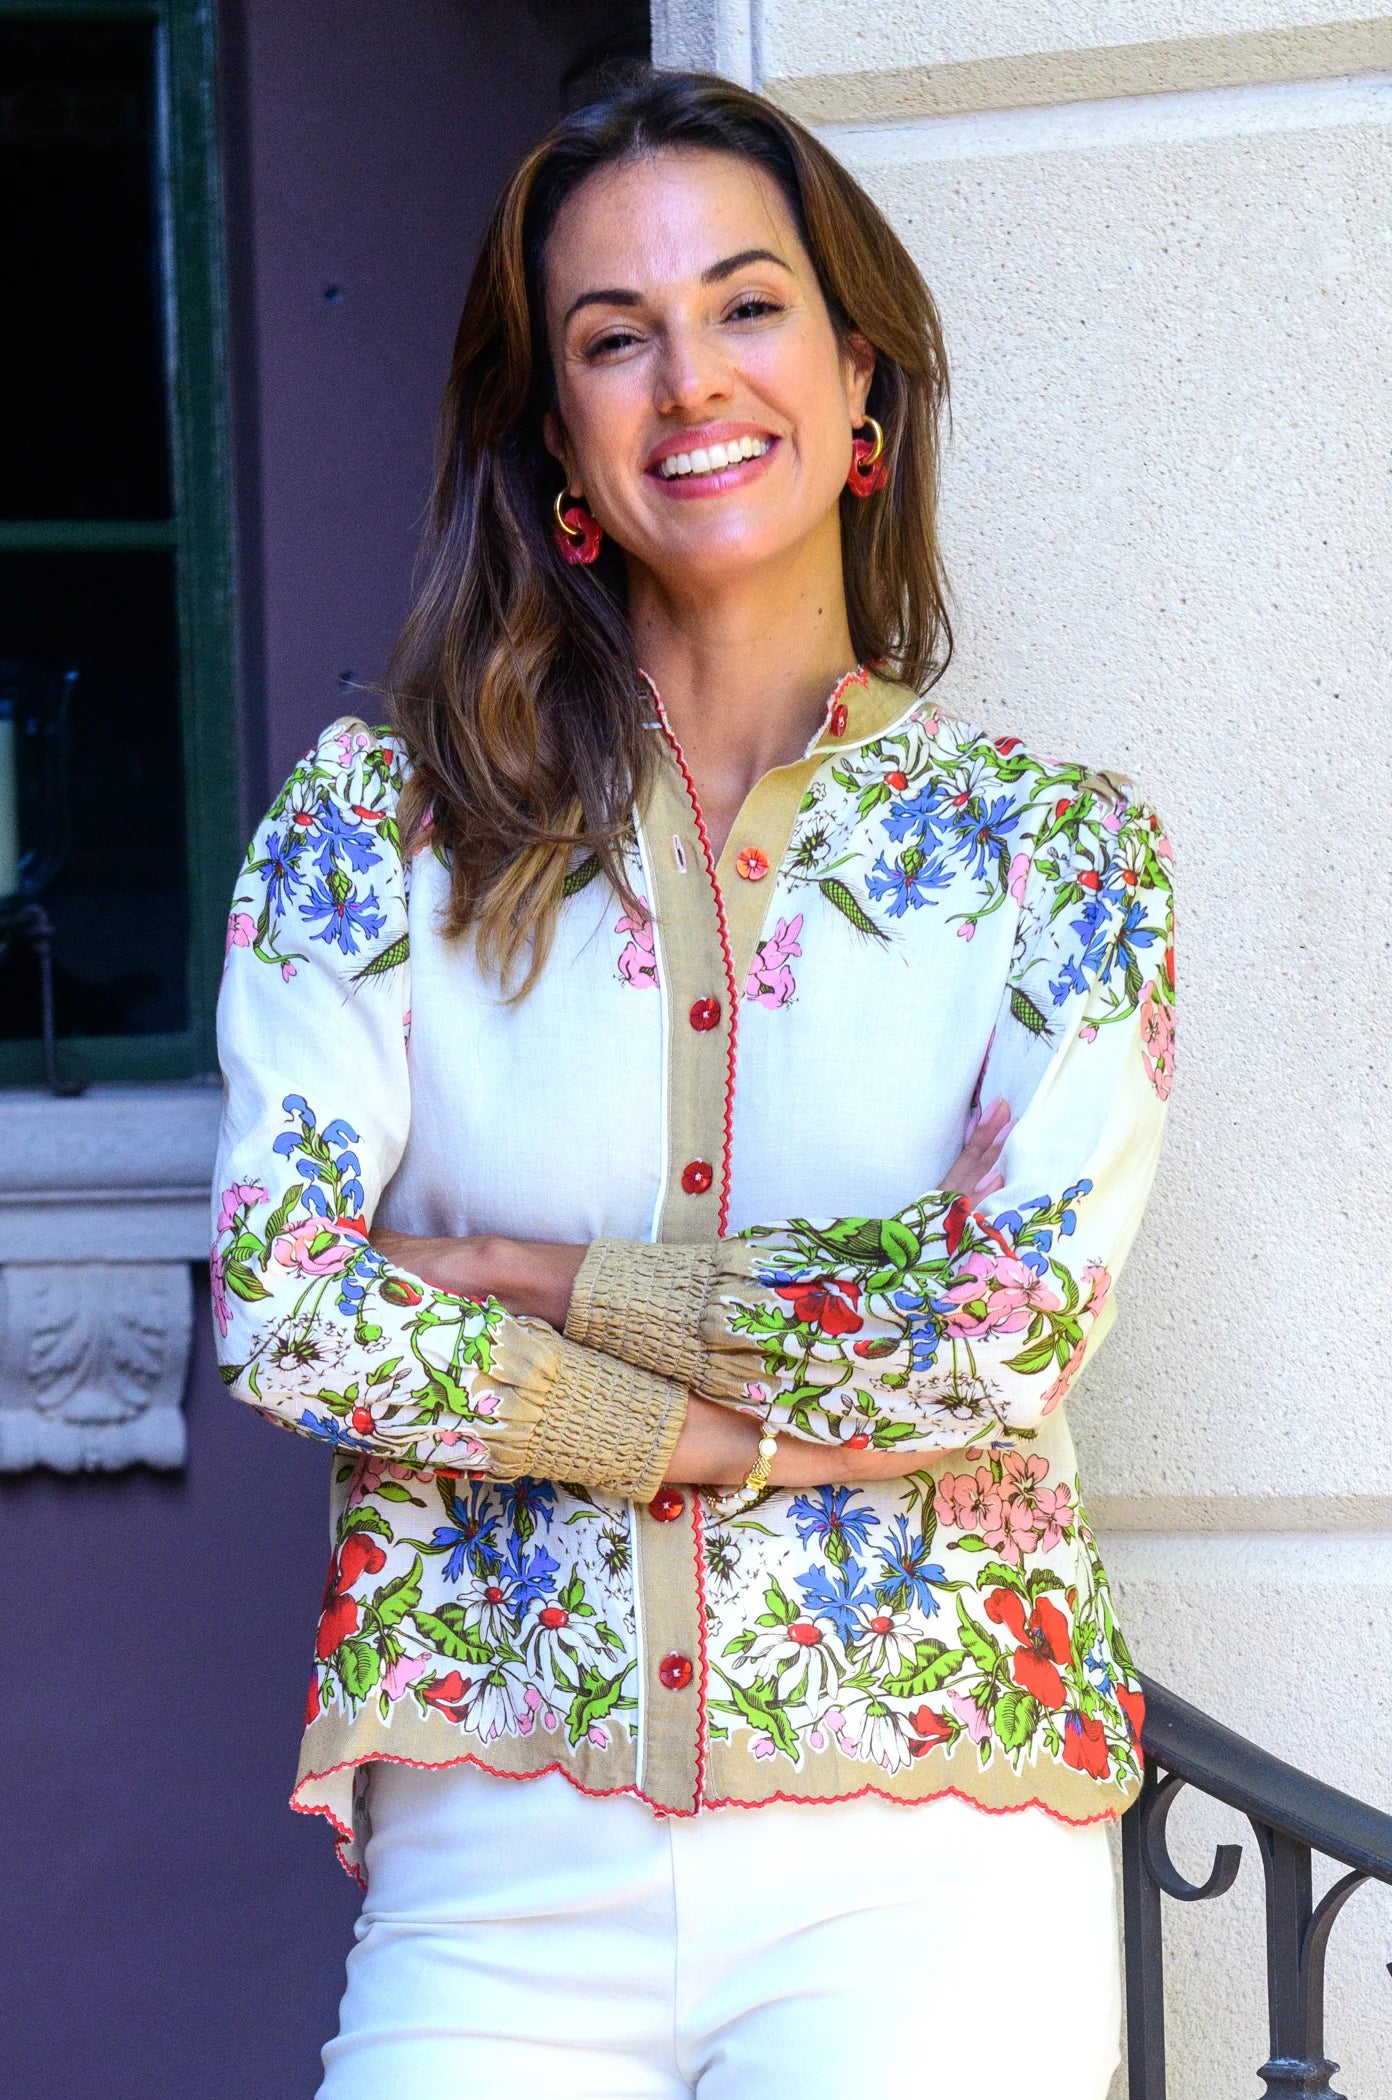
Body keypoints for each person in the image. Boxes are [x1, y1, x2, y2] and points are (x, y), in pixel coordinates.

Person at [212, 67, 1176, 2099]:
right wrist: (740, 1444)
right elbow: (289, 1298)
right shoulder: (373, 827)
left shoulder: (1049, 858)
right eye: (610, 336)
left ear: (861, 381)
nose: (687, 381)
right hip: (498, 1852)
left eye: (745, 306)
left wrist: (539, 1278)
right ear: (556, 429)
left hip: (931, 1866)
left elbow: (999, 1330)